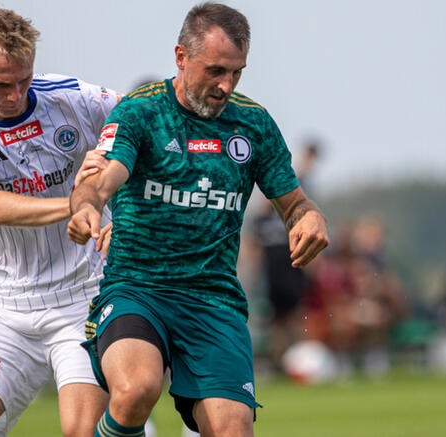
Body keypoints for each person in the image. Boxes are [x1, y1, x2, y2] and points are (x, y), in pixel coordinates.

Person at [67, 3, 330, 436]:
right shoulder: (140, 113)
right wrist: (87, 206)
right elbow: (103, 178)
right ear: (181, 57)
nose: (225, 85)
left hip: (213, 300)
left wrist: (311, 218)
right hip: (138, 288)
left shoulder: (254, 124)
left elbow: (295, 202)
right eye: (215, 71)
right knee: (136, 390)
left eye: (236, 73)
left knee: (232, 430)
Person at [0, 7, 124, 437]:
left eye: (24, 79)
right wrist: (79, 203)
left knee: (83, 431)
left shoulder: (79, 100)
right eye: (0, 84)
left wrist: (123, 207)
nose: (15, 94)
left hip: (85, 295)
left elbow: (143, 129)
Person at [251, 140, 320, 373]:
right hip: (280, 253)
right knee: (283, 316)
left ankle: (293, 362)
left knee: (290, 314)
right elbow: (266, 208)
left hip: (286, 251)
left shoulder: (302, 180)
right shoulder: (291, 179)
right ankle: (284, 362)